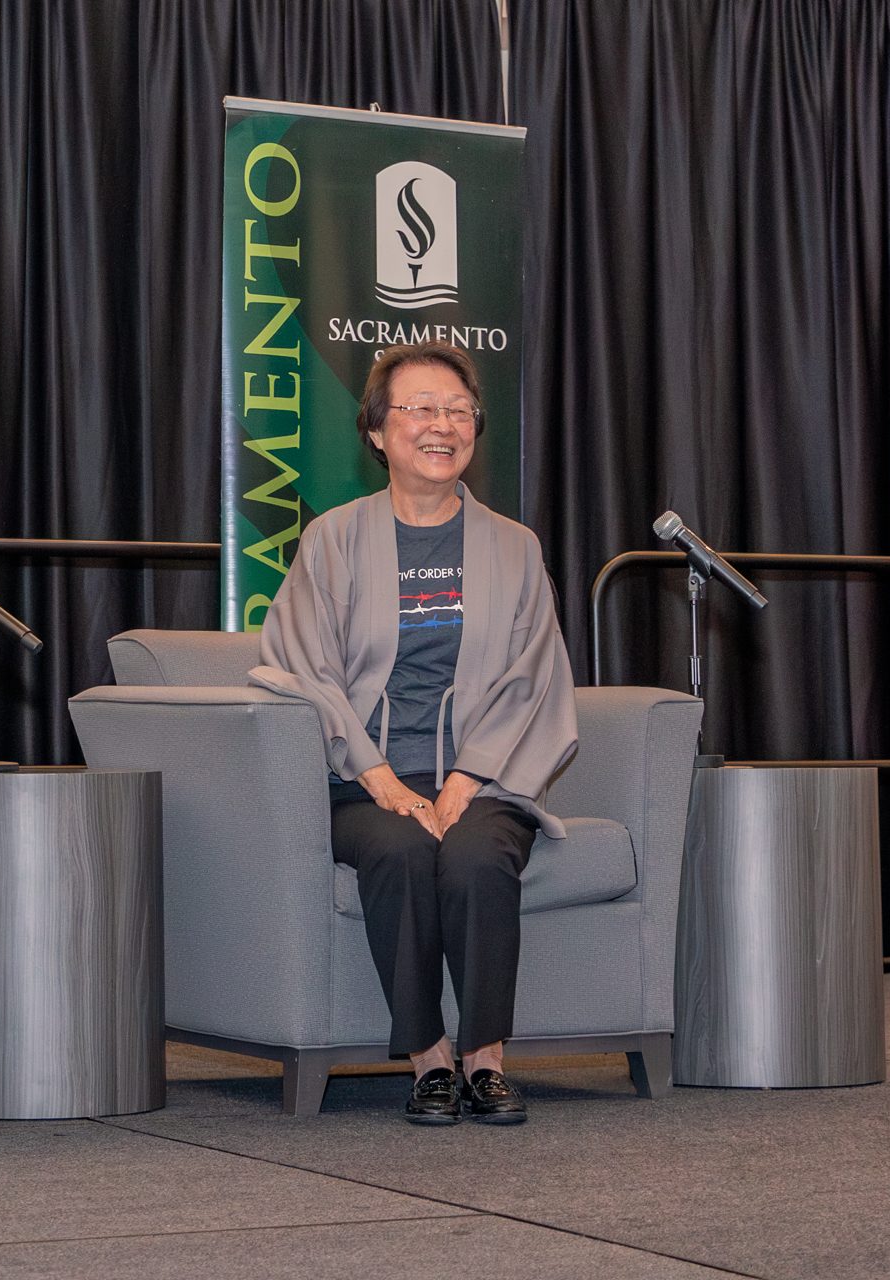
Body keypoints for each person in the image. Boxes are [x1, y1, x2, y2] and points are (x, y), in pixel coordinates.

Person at [250, 341, 577, 1126]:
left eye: (459, 411)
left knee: (474, 856)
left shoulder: (515, 547)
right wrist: (379, 777)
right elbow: (302, 668)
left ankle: (486, 1058)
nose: (443, 425)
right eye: (421, 408)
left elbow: (533, 677)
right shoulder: (332, 539)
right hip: (361, 781)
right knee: (399, 849)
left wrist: (465, 782)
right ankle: (429, 1058)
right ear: (376, 431)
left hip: (484, 778)